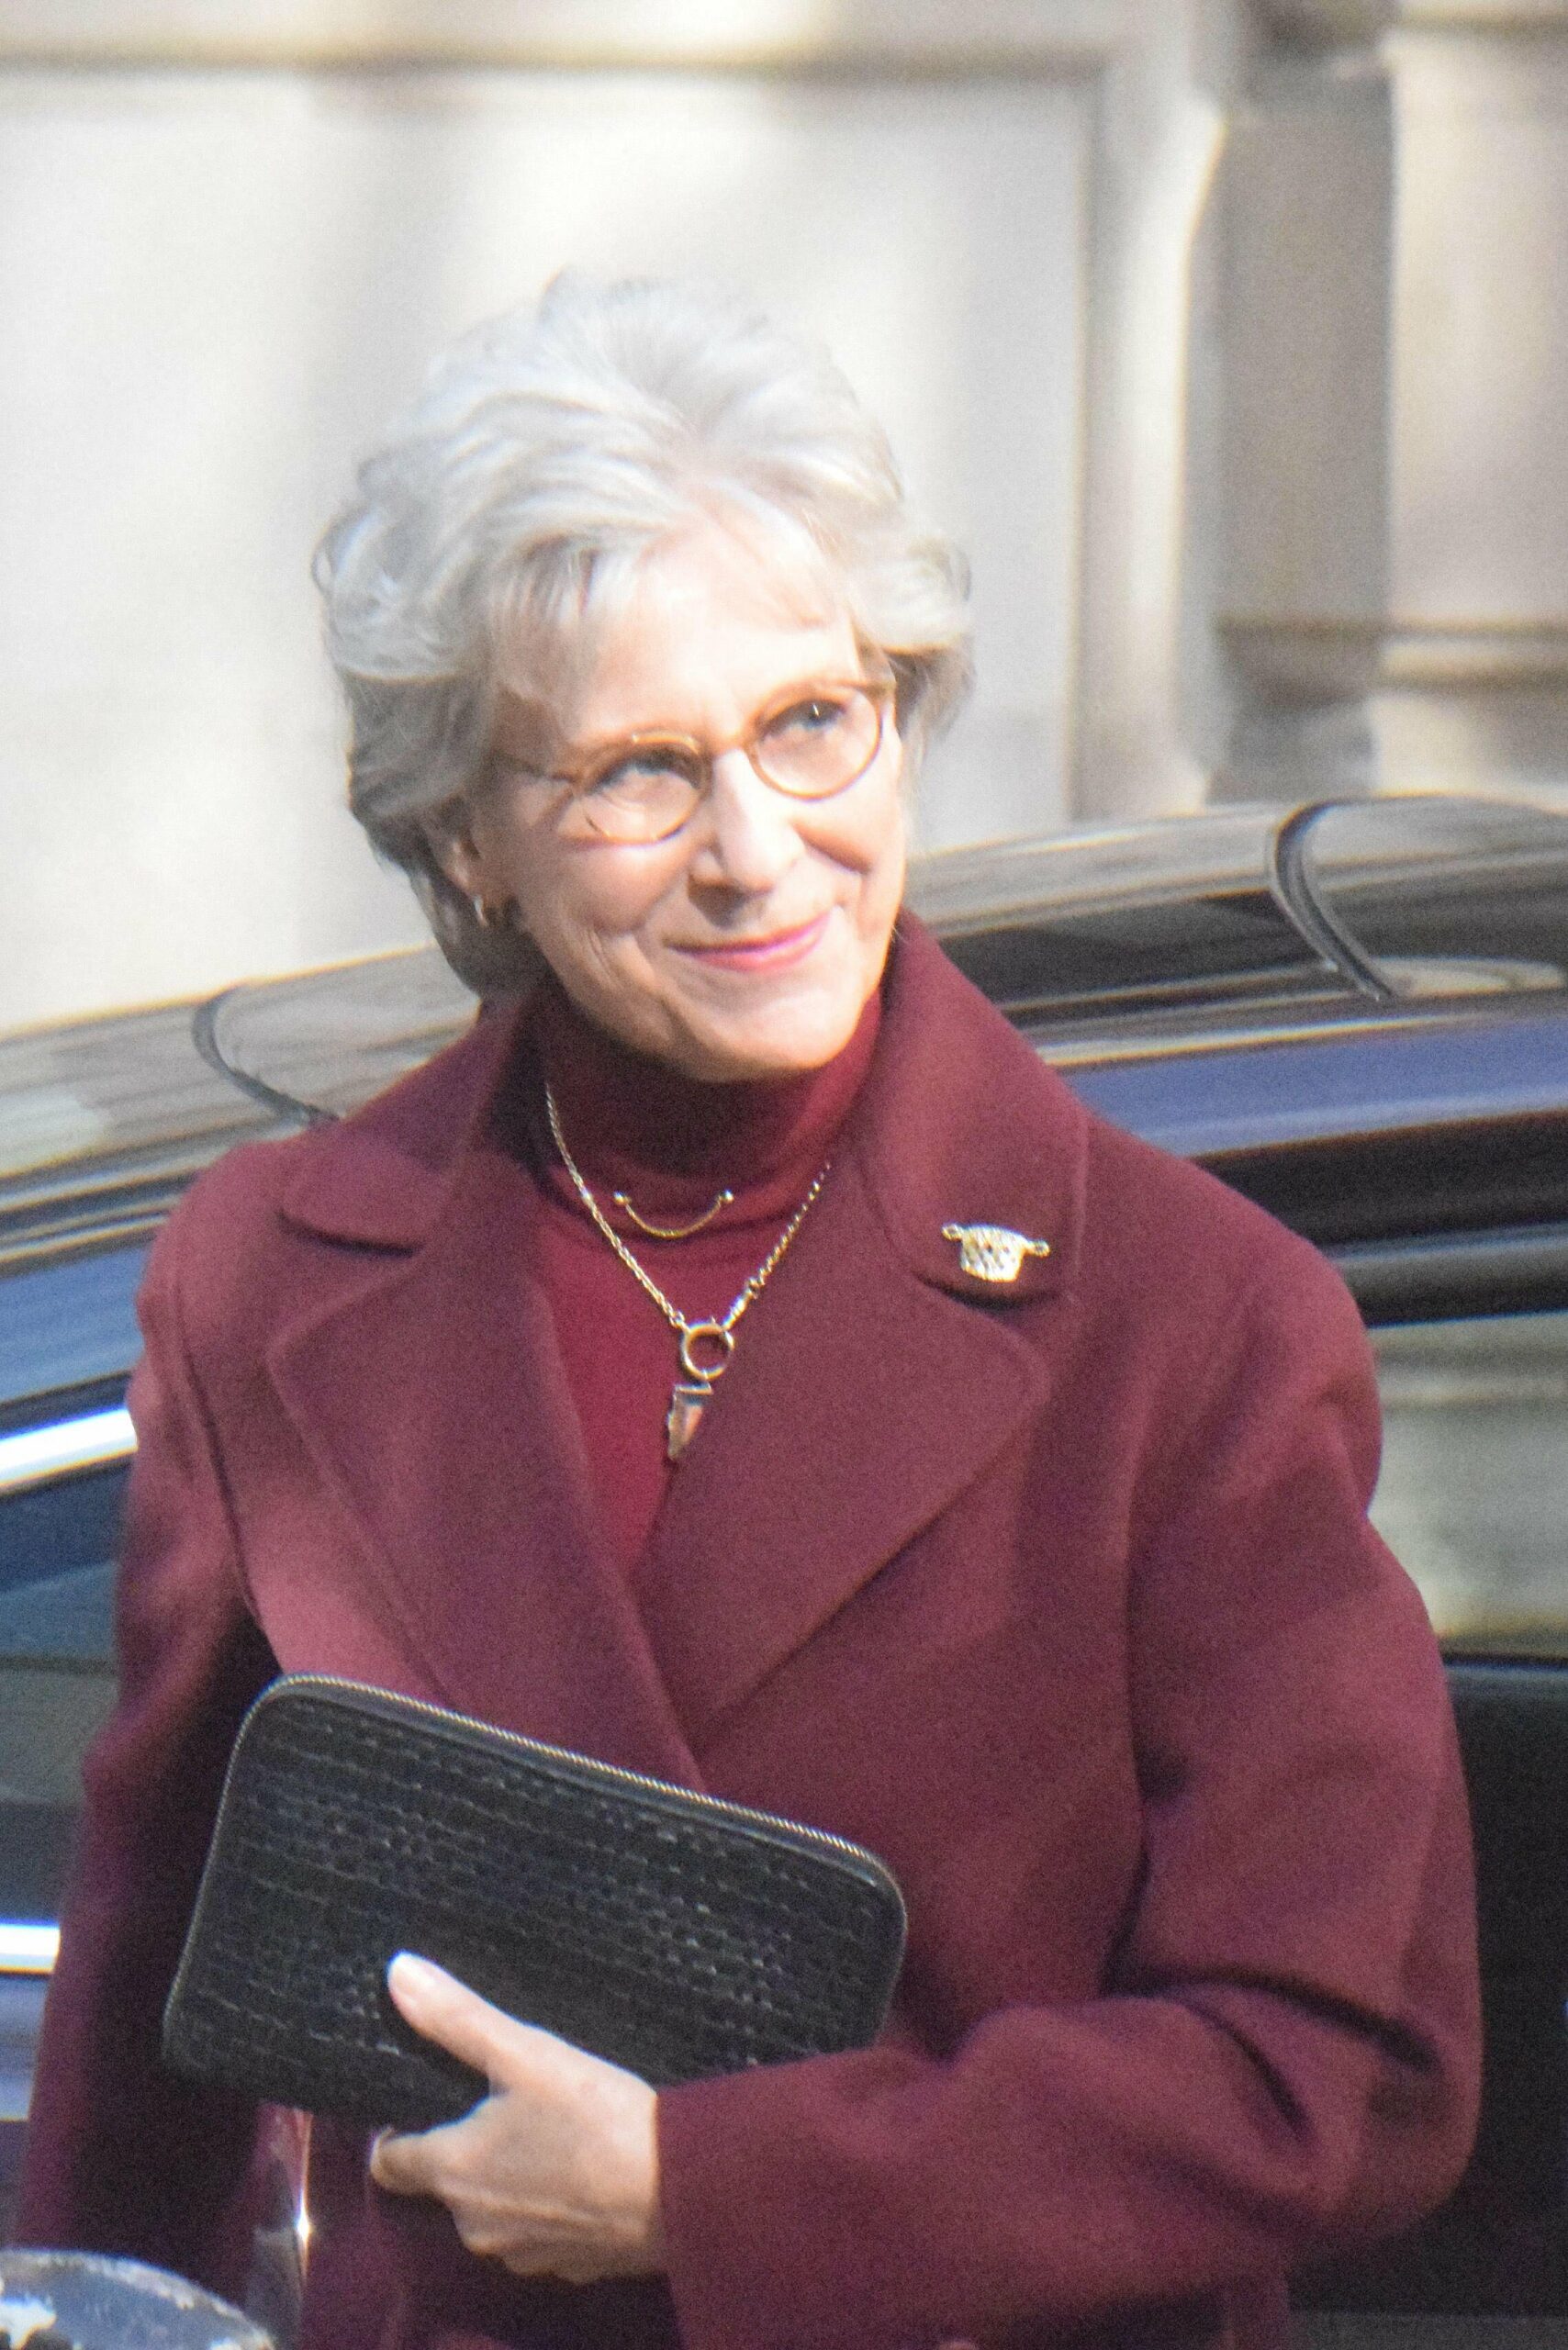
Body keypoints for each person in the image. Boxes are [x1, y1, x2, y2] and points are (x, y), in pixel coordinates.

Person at [17, 274, 1480, 2350]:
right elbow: (151, 2004)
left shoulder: (1189, 1323)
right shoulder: (270, 1284)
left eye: (811, 721)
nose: (753, 849)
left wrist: (704, 2189)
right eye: (633, 769)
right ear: (467, 837)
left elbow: (1341, 2069)